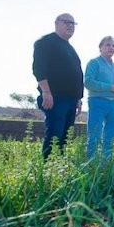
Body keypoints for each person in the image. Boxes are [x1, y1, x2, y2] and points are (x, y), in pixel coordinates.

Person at [32, 13, 84, 160]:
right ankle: (47, 169)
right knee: (54, 135)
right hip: (55, 97)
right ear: (56, 23)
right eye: (66, 22)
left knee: (64, 138)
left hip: (71, 99)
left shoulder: (70, 48)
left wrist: (78, 99)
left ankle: (58, 167)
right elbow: (38, 69)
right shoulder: (45, 43)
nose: (70, 26)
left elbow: (76, 74)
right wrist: (46, 92)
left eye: (73, 23)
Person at [84, 36, 114, 161]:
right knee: (95, 135)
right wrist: (110, 87)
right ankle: (91, 164)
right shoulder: (94, 63)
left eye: (113, 46)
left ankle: (105, 164)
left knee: (110, 136)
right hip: (98, 102)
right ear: (100, 47)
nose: (111, 48)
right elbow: (88, 82)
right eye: (108, 45)